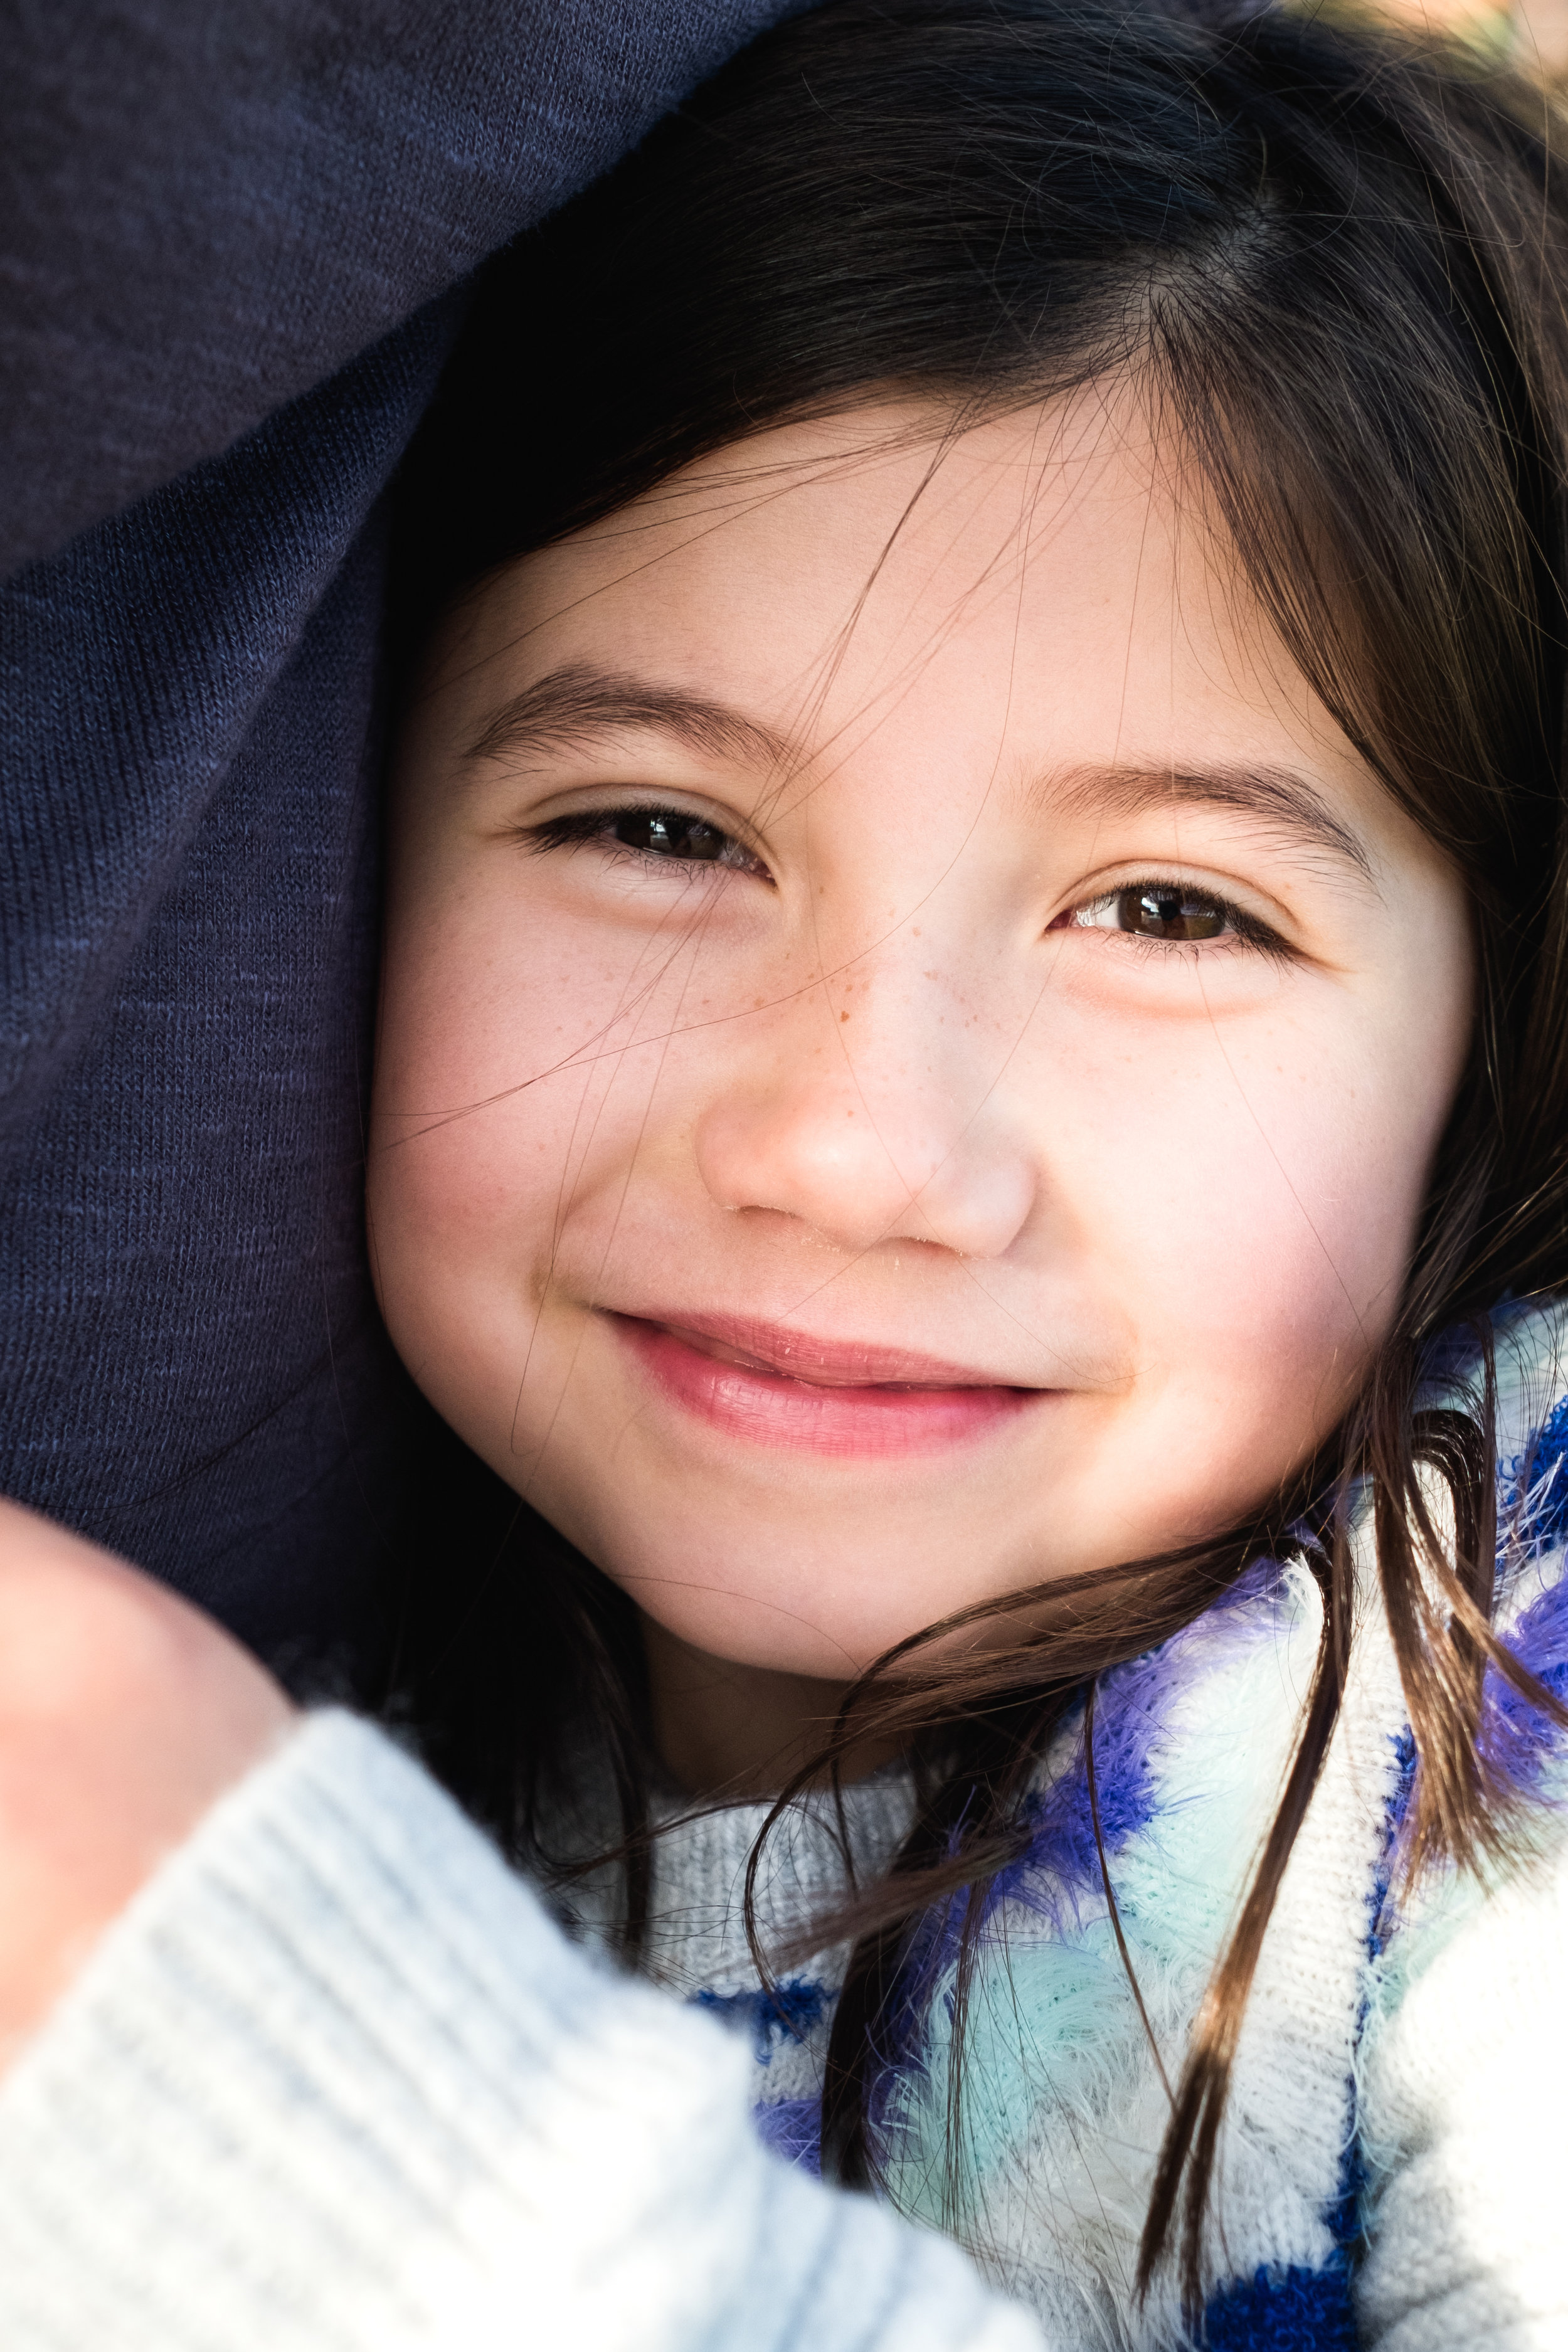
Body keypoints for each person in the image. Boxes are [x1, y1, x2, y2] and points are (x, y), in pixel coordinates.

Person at [2, 3, 1565, 2350]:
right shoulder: (379, 1674)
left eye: (1167, 911)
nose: (851, 1150)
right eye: (657, 829)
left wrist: (248, 2054)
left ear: (1490, 1018)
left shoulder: (1484, 1707)